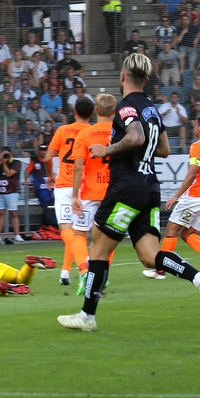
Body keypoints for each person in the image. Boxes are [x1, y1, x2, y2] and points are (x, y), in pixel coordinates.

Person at [58, 53, 200, 332]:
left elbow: (136, 137)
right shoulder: (152, 109)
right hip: (149, 188)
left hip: (127, 187)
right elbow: (164, 150)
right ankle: (198, 278)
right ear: (146, 80)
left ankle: (87, 316)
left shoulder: (126, 108)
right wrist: (138, 146)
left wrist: (106, 149)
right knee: (149, 254)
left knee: (97, 249)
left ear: (122, 77)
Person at [143, 113, 200, 279]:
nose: (193, 127)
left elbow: (192, 173)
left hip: (196, 196)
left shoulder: (197, 146)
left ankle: (160, 270)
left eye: (195, 124)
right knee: (186, 233)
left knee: (171, 228)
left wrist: (176, 195)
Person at [69, 94, 117, 295]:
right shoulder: (121, 132)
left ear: (96, 111)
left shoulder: (85, 135)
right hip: (114, 193)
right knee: (110, 236)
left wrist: (74, 196)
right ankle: (102, 276)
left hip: (89, 193)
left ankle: (84, 271)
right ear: (114, 112)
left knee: (79, 235)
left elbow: (78, 168)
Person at [45, 98, 95, 284]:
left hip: (65, 185)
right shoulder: (93, 132)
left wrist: (50, 175)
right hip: (84, 186)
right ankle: (65, 272)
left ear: (74, 111)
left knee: (66, 229)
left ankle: (84, 262)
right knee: (79, 232)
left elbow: (48, 157)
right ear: (92, 113)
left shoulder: (62, 130)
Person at [0, 145, 23, 244]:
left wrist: (4, 163)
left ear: (11, 153)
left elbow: (8, 173)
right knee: (0, 213)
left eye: (7, 153)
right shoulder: (0, 162)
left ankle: (17, 234)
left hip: (12, 191)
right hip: (0, 190)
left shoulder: (16, 163)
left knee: (13, 213)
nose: (5, 155)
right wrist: (0, 161)